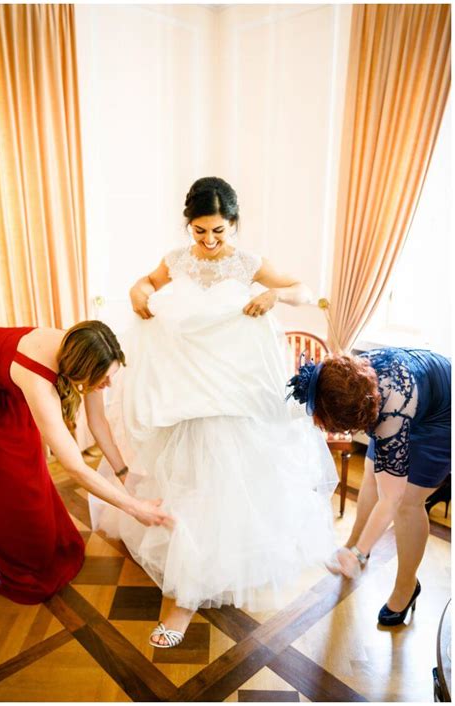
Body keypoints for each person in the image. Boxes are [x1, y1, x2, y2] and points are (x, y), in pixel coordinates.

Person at [89, 176, 338, 648]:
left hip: (235, 396)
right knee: (185, 484)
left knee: (225, 486)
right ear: (189, 225)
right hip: (182, 392)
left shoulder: (248, 262)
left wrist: (275, 295)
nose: (208, 241)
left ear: (234, 224)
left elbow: (304, 289)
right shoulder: (176, 259)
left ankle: (190, 593)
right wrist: (138, 292)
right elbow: (145, 282)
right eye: (200, 230)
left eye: (218, 231)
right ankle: (182, 589)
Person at [0, 322, 174, 605]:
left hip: (5, 382)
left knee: (32, 470)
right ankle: (19, 564)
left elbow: (98, 422)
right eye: (104, 379)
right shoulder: (36, 378)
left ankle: (47, 548)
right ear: (84, 370)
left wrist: (124, 474)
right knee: (13, 486)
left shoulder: (85, 352)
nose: (108, 385)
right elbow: (74, 466)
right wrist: (135, 508)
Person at [287, 347, 451, 626]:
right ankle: (355, 542)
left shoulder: (390, 416)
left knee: (408, 504)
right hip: (397, 396)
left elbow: (392, 499)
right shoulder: (352, 380)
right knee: (371, 474)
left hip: (443, 417)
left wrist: (358, 553)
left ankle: (406, 587)